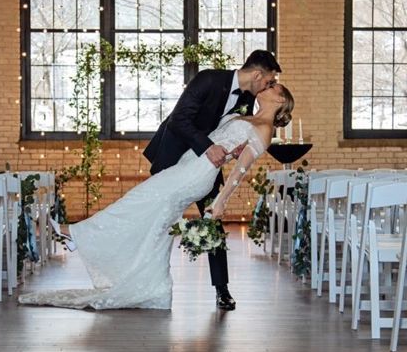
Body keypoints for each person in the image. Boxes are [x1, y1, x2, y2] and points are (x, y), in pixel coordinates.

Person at [19, 83, 294, 312]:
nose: (267, 86)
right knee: (157, 224)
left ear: (280, 99)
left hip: (198, 174)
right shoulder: (248, 117)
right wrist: (229, 148)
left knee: (137, 200)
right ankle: (155, 288)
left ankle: (76, 234)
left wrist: (221, 200)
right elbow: (227, 144)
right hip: (188, 164)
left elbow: (240, 170)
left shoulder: (265, 128)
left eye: (273, 86)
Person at [144, 49, 282, 311]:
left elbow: (236, 128)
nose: (269, 85)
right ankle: (148, 277)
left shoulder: (250, 98)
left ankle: (222, 290)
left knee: (212, 222)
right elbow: (178, 120)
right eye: (269, 80)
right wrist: (208, 146)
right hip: (175, 156)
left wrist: (237, 146)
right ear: (256, 74)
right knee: (158, 218)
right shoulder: (208, 79)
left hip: (207, 168)